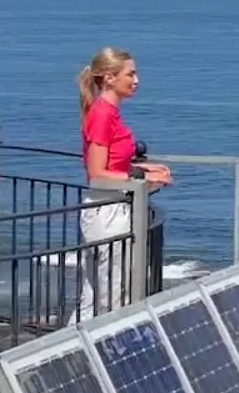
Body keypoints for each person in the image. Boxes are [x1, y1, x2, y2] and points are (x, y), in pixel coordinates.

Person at [73, 47, 171, 321]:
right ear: (109, 78)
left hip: (109, 207)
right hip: (106, 210)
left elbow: (111, 165)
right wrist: (143, 178)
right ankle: (105, 352)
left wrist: (141, 168)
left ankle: (79, 352)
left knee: (97, 295)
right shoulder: (103, 114)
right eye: (131, 73)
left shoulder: (108, 113)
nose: (136, 80)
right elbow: (96, 173)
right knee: (112, 295)